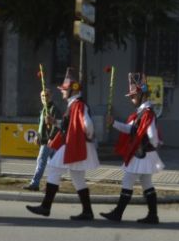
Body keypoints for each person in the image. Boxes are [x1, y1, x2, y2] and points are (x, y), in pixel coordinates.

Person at [26, 67, 100, 220]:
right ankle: (87, 211)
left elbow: (88, 125)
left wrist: (87, 136)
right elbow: (70, 125)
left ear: (72, 91)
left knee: (53, 167)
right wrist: (55, 122)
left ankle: (46, 207)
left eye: (64, 89)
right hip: (76, 144)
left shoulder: (78, 105)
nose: (62, 91)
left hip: (74, 144)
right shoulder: (74, 104)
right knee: (77, 176)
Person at [100, 73, 165, 224]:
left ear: (142, 95)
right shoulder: (142, 113)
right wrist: (114, 123)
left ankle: (118, 213)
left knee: (128, 179)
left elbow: (152, 133)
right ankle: (152, 215)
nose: (131, 99)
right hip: (145, 154)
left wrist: (154, 144)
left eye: (133, 96)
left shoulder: (146, 113)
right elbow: (130, 129)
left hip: (142, 154)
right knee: (146, 183)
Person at [23, 88, 60, 191]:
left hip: (49, 141)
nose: (45, 98)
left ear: (51, 96)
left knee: (41, 161)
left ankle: (35, 184)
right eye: (43, 96)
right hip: (44, 139)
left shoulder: (53, 109)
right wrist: (37, 136)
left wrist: (51, 138)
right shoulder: (44, 109)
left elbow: (56, 125)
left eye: (47, 95)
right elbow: (41, 125)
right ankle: (53, 185)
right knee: (53, 164)